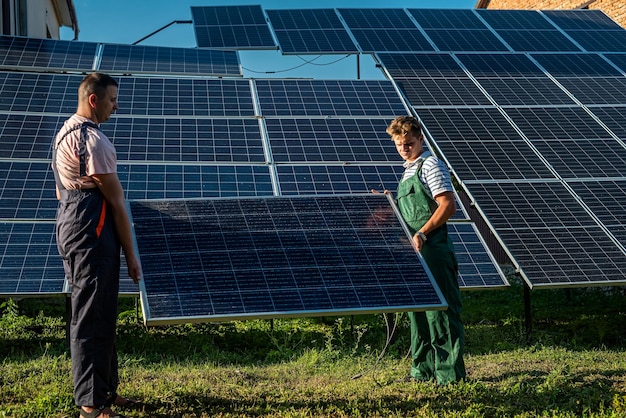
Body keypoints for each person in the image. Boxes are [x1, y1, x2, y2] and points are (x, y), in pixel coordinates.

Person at [52, 72, 143, 418]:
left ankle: (104, 391)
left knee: (99, 309)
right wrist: (131, 256)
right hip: (92, 225)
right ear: (94, 99)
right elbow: (117, 204)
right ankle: (91, 404)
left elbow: (62, 190)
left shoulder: (63, 132)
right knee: (91, 315)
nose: (116, 106)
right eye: (112, 99)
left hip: (72, 219)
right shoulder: (95, 141)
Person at [376, 115, 465, 385]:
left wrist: (423, 233)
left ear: (421, 139)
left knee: (441, 312)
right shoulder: (407, 170)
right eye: (400, 144)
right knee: (419, 311)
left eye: (410, 143)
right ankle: (422, 371)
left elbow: (448, 205)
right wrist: (389, 202)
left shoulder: (431, 165)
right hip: (413, 251)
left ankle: (449, 376)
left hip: (433, 248)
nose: (405, 148)